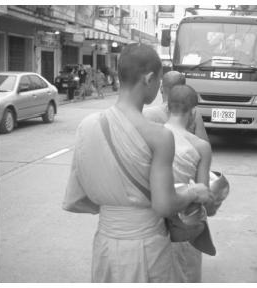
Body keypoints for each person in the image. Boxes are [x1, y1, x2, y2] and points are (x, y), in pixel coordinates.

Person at [63, 43, 211, 283]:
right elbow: (164, 205)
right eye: (159, 81)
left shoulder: (87, 125)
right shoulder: (159, 136)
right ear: (149, 78)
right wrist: (193, 190)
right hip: (146, 246)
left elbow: (80, 195)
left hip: (105, 244)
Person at [164, 84, 213, 282]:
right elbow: (202, 194)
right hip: (184, 221)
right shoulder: (200, 146)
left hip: (152, 220)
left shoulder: (150, 136)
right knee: (185, 275)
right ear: (193, 112)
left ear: (167, 108)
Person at [143, 71, 209, 142]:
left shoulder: (147, 114)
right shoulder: (193, 112)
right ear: (184, 89)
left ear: (161, 88)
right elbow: (203, 143)